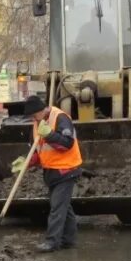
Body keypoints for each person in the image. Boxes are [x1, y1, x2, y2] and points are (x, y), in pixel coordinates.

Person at [21, 95, 83, 252]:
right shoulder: (37, 123)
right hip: (51, 171)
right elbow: (38, 149)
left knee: (57, 207)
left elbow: (67, 144)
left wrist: (49, 135)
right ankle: (69, 240)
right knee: (63, 207)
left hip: (65, 170)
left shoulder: (60, 118)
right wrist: (26, 162)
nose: (33, 119)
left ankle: (52, 242)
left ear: (42, 110)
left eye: (34, 115)